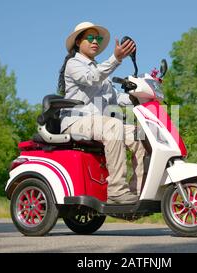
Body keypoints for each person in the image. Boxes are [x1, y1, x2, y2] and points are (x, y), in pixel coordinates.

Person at [58, 21, 146, 204]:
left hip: (99, 122)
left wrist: (139, 96)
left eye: (97, 38)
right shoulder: (74, 64)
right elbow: (92, 78)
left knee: (142, 135)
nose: (95, 41)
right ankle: (116, 191)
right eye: (90, 37)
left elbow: (115, 99)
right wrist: (116, 59)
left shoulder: (99, 68)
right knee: (113, 126)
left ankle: (137, 192)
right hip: (76, 121)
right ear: (78, 42)